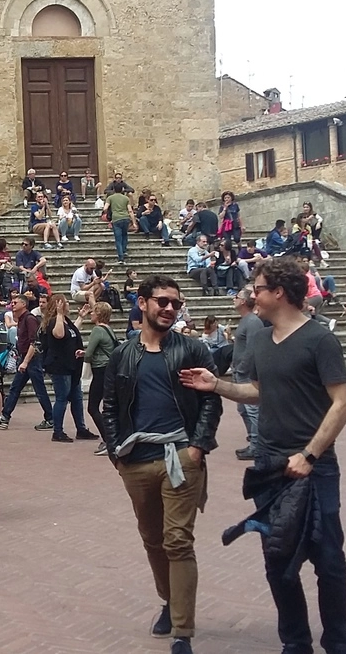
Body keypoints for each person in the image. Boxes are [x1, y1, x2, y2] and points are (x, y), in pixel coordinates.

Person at [180, 257, 346, 654]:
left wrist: (310, 455)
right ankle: (295, 642)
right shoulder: (259, 339)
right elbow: (259, 391)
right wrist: (217, 385)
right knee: (277, 557)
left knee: (328, 558)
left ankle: (338, 642)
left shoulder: (319, 339)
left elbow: (342, 403)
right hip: (269, 465)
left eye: (256, 289)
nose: (250, 295)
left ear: (279, 292)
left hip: (315, 467)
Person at [99, 274, 222, 654]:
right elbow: (109, 406)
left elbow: (210, 402)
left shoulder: (193, 349)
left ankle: (183, 631)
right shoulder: (123, 353)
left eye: (175, 303)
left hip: (181, 458)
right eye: (162, 301)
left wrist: (198, 448)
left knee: (178, 541)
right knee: (153, 540)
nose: (170, 308)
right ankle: (169, 601)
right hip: (136, 460)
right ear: (143, 303)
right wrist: (117, 450)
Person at [39, 294, 97, 444]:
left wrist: (81, 317)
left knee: (77, 398)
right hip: (60, 366)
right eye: (66, 302)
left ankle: (81, 429)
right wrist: (58, 314)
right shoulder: (54, 321)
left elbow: (70, 333)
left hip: (72, 366)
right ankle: (57, 431)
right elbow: (59, 334)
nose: (68, 304)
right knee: (62, 398)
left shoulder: (65, 320)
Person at [0, 292, 54, 429]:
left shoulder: (29, 319)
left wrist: (25, 361)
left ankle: (50, 418)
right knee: (16, 388)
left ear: (23, 304)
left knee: (39, 389)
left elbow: (34, 342)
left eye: (15, 303)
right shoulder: (22, 319)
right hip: (26, 357)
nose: (12, 305)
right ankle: (4, 416)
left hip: (31, 358)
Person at [229, 287, 266, 460]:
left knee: (252, 410)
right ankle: (253, 440)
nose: (233, 299)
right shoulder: (246, 320)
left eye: (236, 297)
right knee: (243, 409)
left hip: (246, 373)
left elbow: (252, 348)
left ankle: (258, 445)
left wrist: (243, 368)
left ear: (243, 301)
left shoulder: (252, 321)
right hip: (239, 371)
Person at [83, 302, 119, 456]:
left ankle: (108, 440)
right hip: (109, 369)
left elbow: (89, 353)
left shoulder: (97, 330)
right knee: (107, 406)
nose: (91, 314)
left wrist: (83, 357)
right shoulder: (108, 329)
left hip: (100, 370)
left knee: (92, 407)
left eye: (93, 312)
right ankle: (113, 438)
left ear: (98, 314)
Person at [104, 187, 135, 264]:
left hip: (116, 219)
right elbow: (130, 210)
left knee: (118, 239)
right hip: (125, 218)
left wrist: (108, 214)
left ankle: (121, 257)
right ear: (122, 190)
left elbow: (105, 208)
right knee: (125, 235)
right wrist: (134, 222)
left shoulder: (110, 198)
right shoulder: (126, 198)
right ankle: (124, 251)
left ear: (114, 190)